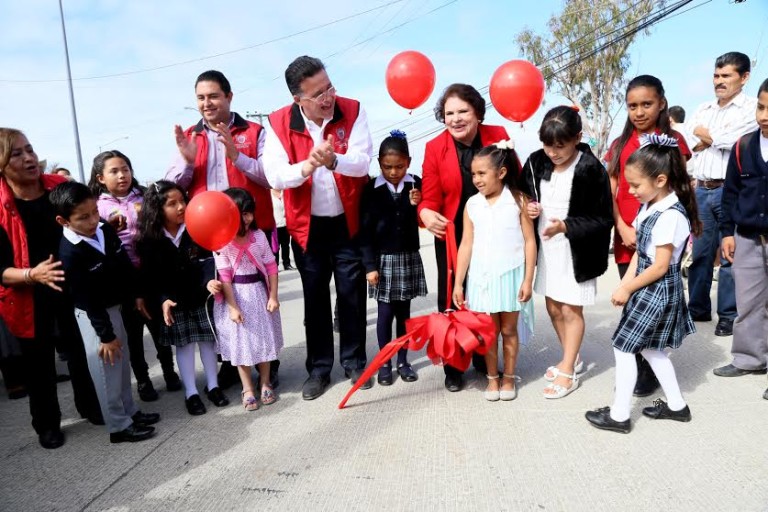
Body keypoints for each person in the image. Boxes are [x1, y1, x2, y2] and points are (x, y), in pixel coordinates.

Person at [263, 55, 372, 400]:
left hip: (347, 223)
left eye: (329, 87)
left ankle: (355, 362)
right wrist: (309, 165)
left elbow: (363, 161)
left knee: (351, 296)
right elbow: (275, 174)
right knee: (315, 300)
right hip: (306, 228)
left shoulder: (352, 110)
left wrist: (334, 160)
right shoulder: (278, 123)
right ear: (298, 99)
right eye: (318, 94)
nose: (328, 98)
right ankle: (319, 369)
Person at [166, 69, 276, 389]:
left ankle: (269, 361)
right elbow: (172, 189)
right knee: (221, 302)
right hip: (207, 238)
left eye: (213, 96)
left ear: (229, 96)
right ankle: (232, 363)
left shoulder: (256, 131)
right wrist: (187, 161)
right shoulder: (190, 136)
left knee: (258, 298)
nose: (207, 103)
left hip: (249, 232)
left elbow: (270, 177)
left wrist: (237, 156)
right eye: (200, 98)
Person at [586, 134, 700, 433]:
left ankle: (619, 415)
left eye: (636, 185)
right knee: (650, 349)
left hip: (657, 288)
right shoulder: (651, 206)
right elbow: (640, 251)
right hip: (646, 286)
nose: (631, 191)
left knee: (624, 347)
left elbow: (661, 266)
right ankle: (677, 406)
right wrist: (625, 282)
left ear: (661, 180)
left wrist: (628, 287)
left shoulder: (670, 216)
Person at [0, 128, 101, 449]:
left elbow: (87, 220)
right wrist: (33, 274)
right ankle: (47, 424)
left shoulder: (59, 188)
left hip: (73, 288)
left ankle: (91, 406)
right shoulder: (1, 205)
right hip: (28, 294)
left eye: (29, 149)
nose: (29, 157)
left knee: (83, 352)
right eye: (17, 153)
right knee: (39, 363)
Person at [418, 83, 516, 392]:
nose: (456, 119)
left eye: (463, 111)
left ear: (477, 113)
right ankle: (453, 364)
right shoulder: (435, 147)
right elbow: (429, 198)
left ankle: (482, 357)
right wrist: (424, 212)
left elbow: (518, 181)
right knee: (452, 298)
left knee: (488, 295)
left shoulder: (497, 135)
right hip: (453, 234)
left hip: (495, 232)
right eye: (449, 113)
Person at [52, 182, 159, 443]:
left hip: (116, 308)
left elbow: (123, 264)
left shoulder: (104, 230)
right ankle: (118, 426)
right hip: (95, 317)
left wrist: (135, 294)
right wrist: (105, 335)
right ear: (63, 221)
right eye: (83, 217)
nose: (92, 221)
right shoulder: (69, 253)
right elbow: (87, 300)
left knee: (121, 367)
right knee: (106, 373)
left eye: (94, 213)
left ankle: (130, 412)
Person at [605, 75, 691, 398]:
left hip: (658, 239)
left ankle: (644, 372)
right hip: (628, 238)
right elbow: (612, 191)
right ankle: (636, 369)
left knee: (649, 309)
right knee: (631, 304)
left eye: (646, 104)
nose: (639, 111)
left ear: (661, 103)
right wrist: (623, 227)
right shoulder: (618, 145)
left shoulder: (673, 141)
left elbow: (680, 187)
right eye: (632, 106)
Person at [519, 106, 613, 399]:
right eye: (548, 145)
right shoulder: (535, 162)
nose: (553, 152)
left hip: (577, 250)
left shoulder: (590, 168)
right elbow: (523, 194)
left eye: (561, 146)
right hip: (546, 249)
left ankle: (569, 370)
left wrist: (566, 226)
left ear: (577, 138)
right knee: (553, 306)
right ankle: (571, 357)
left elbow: (602, 218)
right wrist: (529, 205)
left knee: (571, 308)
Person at [89, 150, 181, 401]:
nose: (122, 175)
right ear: (100, 178)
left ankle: (169, 371)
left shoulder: (144, 196)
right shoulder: (97, 207)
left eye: (126, 169)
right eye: (114, 171)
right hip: (123, 281)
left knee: (161, 327)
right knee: (133, 336)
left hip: (151, 273)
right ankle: (142, 380)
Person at [136, 180, 230, 415]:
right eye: (172, 203)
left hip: (200, 296)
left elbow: (208, 259)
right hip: (175, 303)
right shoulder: (150, 240)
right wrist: (163, 299)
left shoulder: (196, 228)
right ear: (157, 209)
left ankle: (213, 385)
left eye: (182, 201)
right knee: (184, 346)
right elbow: (151, 277)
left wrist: (209, 279)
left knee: (208, 342)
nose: (180, 207)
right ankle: (191, 392)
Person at [452, 141, 535, 401]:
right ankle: (491, 378)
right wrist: (458, 283)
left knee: (509, 331)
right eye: (473, 174)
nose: (476, 179)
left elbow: (530, 241)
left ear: (501, 173)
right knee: (488, 333)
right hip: (481, 278)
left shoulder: (518, 200)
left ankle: (509, 377)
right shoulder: (471, 205)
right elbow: (466, 244)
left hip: (511, 275)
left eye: (481, 173)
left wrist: (528, 279)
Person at [685, 52, 758, 337]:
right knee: (701, 253)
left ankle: (728, 315)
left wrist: (707, 136)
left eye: (726, 76)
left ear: (744, 78)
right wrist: (709, 136)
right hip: (702, 189)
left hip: (733, 191)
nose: (719, 81)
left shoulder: (752, 108)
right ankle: (697, 308)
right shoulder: (703, 107)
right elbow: (691, 140)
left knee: (730, 255)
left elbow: (734, 140)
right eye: (716, 76)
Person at [359, 130, 427, 386]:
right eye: (388, 167)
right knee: (385, 314)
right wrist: (369, 265)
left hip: (408, 257)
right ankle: (385, 362)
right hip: (382, 261)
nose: (394, 172)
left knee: (404, 314)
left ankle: (403, 360)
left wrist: (417, 205)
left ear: (408, 162)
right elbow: (364, 230)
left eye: (399, 166)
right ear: (379, 164)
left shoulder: (415, 184)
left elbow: (423, 219)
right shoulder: (371, 189)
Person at [715, 77, 768, 395]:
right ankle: (750, 359)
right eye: (762, 107)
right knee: (748, 302)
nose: (765, 115)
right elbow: (731, 193)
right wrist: (727, 233)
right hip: (747, 237)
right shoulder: (743, 146)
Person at [209, 188, 284, 411]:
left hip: (259, 295)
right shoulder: (222, 243)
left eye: (249, 212)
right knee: (241, 345)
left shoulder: (259, 236)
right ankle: (247, 388)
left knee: (263, 342)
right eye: (241, 213)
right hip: (237, 298)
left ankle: (265, 382)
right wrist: (232, 308)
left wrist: (273, 296)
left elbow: (271, 267)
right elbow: (225, 278)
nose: (247, 218)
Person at [271, 189, 294, 271]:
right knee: (275, 247)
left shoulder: (284, 193)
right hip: (275, 225)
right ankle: (275, 265)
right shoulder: (270, 194)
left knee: (285, 245)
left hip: (285, 223)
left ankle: (287, 264)